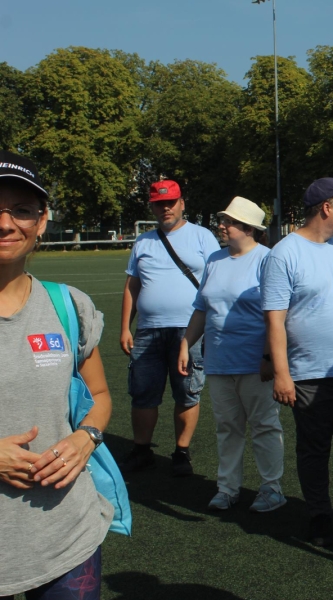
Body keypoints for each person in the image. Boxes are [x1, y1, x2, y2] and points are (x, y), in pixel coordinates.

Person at [0, 151, 114, 598]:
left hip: (68, 539)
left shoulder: (69, 305)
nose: (6, 224)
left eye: (22, 210)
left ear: (42, 222)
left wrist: (85, 437)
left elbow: (101, 395)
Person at [262, 177, 333, 546]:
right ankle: (320, 516)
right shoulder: (284, 253)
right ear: (327, 207)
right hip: (310, 373)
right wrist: (281, 374)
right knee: (314, 450)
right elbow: (274, 319)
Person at [178, 196, 286, 512]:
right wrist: (186, 343)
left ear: (248, 228)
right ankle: (227, 488)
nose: (221, 226)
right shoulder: (214, 260)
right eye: (222, 220)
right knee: (228, 427)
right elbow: (201, 308)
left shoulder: (268, 260)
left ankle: (271, 489)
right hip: (220, 361)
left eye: (229, 222)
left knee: (265, 425)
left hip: (255, 362)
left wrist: (269, 358)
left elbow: (277, 314)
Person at [118, 180, 219, 476]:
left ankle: (181, 452)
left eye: (171, 202)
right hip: (148, 331)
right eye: (159, 203)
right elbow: (132, 286)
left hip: (190, 332)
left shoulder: (203, 237)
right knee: (143, 392)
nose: (165, 208)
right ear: (151, 206)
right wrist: (125, 326)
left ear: (182, 203)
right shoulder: (143, 241)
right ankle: (141, 450)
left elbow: (216, 279)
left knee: (187, 392)